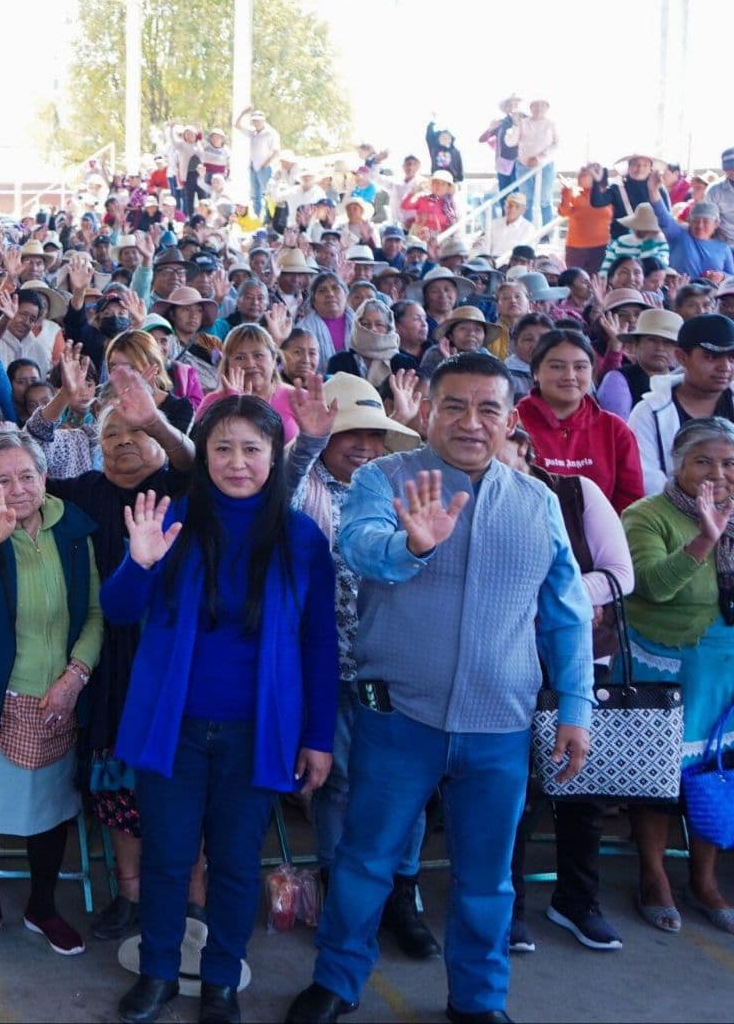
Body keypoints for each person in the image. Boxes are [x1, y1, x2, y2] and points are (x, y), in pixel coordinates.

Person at [291, 352, 593, 1024]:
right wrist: (414, 546)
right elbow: (361, 548)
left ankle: (478, 1000)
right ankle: (338, 981)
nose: (470, 422)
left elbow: (566, 613)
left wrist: (576, 707)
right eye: (454, 405)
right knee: (365, 861)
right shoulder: (384, 479)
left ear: (510, 418)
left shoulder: (536, 501)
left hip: (500, 727)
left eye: (489, 408)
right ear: (427, 410)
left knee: (486, 879)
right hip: (399, 719)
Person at [103, 396, 336, 1024]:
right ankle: (157, 974)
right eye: (223, 449)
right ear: (203, 456)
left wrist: (317, 735)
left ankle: (221, 983)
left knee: (235, 864)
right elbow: (121, 610)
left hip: (258, 732)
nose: (237, 463)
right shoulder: (173, 519)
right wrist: (138, 563)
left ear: (274, 457)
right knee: (168, 858)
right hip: (173, 727)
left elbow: (320, 643)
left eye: (252, 449)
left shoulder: (301, 537)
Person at [287, 374, 441, 961]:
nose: (364, 445)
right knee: (337, 784)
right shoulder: (304, 487)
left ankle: (402, 895)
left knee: (408, 784)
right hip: (327, 664)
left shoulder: (397, 486)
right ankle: (339, 888)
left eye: (375, 434)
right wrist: (303, 443)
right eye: (351, 432)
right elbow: (278, 493)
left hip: (397, 662)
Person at [0, 427, 105, 955]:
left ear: (44, 477)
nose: (17, 489)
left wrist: (74, 677)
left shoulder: (75, 529)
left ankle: (42, 907)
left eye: (27, 476)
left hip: (56, 697)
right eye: (3, 479)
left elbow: (97, 615)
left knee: (51, 810)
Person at [499, 426, 635, 953]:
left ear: (526, 453)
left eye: (507, 460)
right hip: (508, 661)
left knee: (582, 789)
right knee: (515, 788)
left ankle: (578, 901)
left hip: (578, 657)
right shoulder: (469, 497)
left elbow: (621, 575)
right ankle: (508, 908)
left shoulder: (576, 493)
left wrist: (560, 591)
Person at [619, 416, 734, 937]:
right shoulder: (647, 515)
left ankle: (705, 881)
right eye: (703, 461)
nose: (718, 473)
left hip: (723, 664)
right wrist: (705, 540)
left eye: (729, 463)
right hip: (663, 663)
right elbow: (654, 586)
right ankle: (653, 875)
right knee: (658, 778)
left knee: (715, 773)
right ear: (678, 465)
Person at [516, 329, 645, 512]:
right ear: (536, 372)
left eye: (580, 367)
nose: (569, 376)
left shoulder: (614, 429)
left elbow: (630, 503)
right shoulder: (512, 425)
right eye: (557, 366)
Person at [628, 312, 734, 494]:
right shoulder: (649, 412)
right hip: (670, 517)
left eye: (732, 358)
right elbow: (649, 481)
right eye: (711, 357)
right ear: (682, 357)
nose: (725, 367)